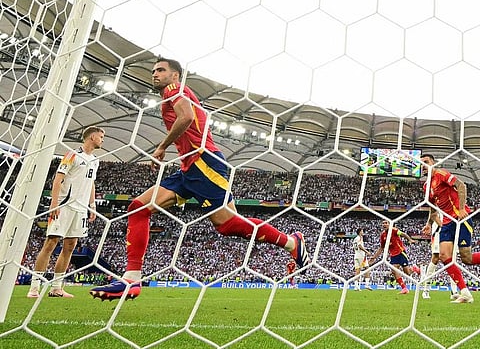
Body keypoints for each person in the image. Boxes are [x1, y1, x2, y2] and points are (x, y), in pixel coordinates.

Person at [89, 57, 310, 301]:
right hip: (190, 168)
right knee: (138, 208)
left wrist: (162, 147)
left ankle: (292, 243)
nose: (155, 74)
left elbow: (185, 117)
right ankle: (131, 278)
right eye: (153, 71)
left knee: (226, 224)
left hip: (204, 163)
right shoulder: (171, 95)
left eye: (161, 70)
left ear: (175, 76)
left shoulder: (175, 89)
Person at [27, 126, 104, 298]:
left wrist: (92, 205)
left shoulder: (95, 160)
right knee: (51, 243)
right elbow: (58, 179)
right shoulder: (71, 155)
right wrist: (54, 204)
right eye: (100, 136)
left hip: (80, 208)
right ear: (92, 137)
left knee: (70, 246)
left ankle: (56, 288)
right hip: (64, 205)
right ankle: (34, 287)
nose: (102, 140)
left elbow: (91, 183)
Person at [420, 154, 480, 304]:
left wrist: (461, 209)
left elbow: (461, 185)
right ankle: (465, 293)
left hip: (460, 218)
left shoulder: (441, 174)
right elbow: (433, 209)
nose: (423, 165)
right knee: (444, 255)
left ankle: (464, 292)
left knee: (467, 258)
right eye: (420, 163)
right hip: (446, 223)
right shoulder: (426, 186)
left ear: (433, 163)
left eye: (426, 162)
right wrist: (428, 223)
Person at [369, 220, 420, 294]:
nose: (384, 224)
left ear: (389, 224)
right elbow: (381, 247)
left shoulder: (394, 230)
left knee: (407, 273)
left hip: (401, 252)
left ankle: (414, 268)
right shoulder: (383, 235)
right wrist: (374, 257)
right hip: (393, 255)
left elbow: (403, 234)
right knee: (393, 270)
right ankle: (404, 288)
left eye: (386, 223)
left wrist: (410, 239)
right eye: (383, 223)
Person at [421, 211, 459, 300]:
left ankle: (454, 291)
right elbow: (433, 212)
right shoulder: (438, 200)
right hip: (439, 231)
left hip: (452, 231)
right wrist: (429, 224)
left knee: (453, 260)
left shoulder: (455, 200)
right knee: (435, 258)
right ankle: (426, 290)